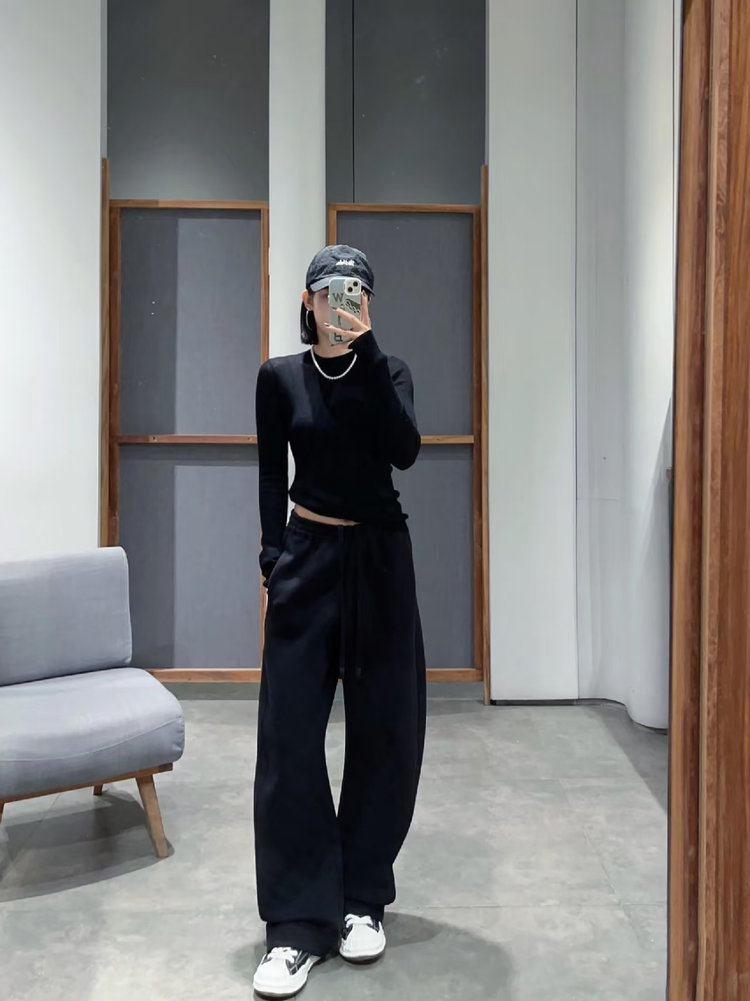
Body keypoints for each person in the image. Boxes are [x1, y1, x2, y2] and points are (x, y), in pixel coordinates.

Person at [251, 245, 427, 999]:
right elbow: (271, 472)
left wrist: (368, 352)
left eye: (356, 292)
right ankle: (295, 926)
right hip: (308, 554)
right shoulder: (279, 377)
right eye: (330, 292)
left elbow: (404, 450)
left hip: (381, 558)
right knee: (289, 736)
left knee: (387, 729)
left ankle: (362, 898)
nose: (342, 304)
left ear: (368, 302)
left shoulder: (390, 372)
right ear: (308, 301)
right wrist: (273, 561)